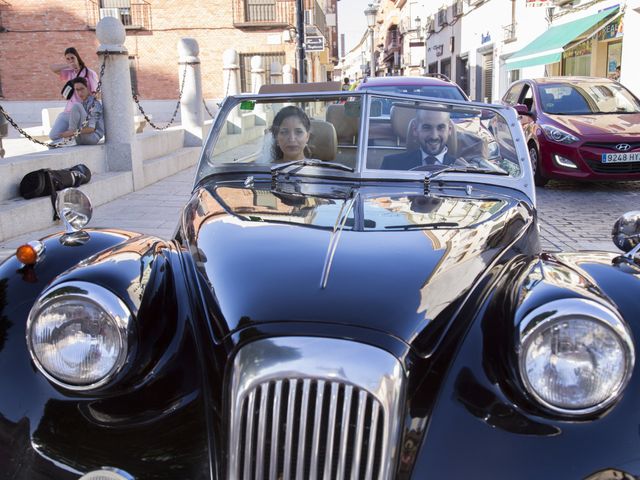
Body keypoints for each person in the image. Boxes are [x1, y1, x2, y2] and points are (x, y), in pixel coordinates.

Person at [381, 109, 464, 170]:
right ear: (415, 130)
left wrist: (467, 172)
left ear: (449, 130)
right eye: (427, 128)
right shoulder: (391, 165)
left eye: (440, 128)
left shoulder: (462, 170)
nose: (434, 136)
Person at [49, 47, 99, 141]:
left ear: (77, 57)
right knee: (53, 136)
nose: (71, 60)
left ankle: (73, 139)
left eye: (72, 58)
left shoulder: (89, 73)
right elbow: (52, 68)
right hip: (68, 111)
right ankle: (70, 141)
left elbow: (95, 94)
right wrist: (67, 66)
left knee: (73, 131)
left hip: (81, 111)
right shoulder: (70, 73)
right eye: (68, 59)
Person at [50, 77, 104, 145]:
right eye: (77, 90)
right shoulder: (82, 103)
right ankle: (69, 139)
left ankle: (71, 137)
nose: (80, 93)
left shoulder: (94, 103)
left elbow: (91, 129)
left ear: (87, 88)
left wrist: (72, 133)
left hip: (92, 137)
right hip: (81, 136)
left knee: (76, 106)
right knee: (52, 144)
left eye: (82, 89)